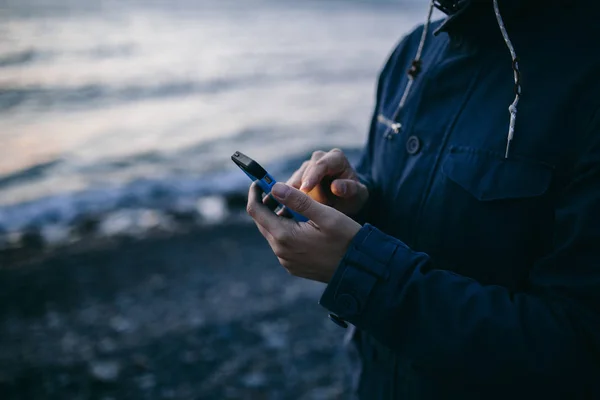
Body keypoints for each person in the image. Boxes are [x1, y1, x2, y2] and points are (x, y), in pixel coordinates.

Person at [246, 0, 600, 398]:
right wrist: (358, 204)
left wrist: (360, 271)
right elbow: (420, 204)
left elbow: (578, 345)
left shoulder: (587, 71)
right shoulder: (411, 54)